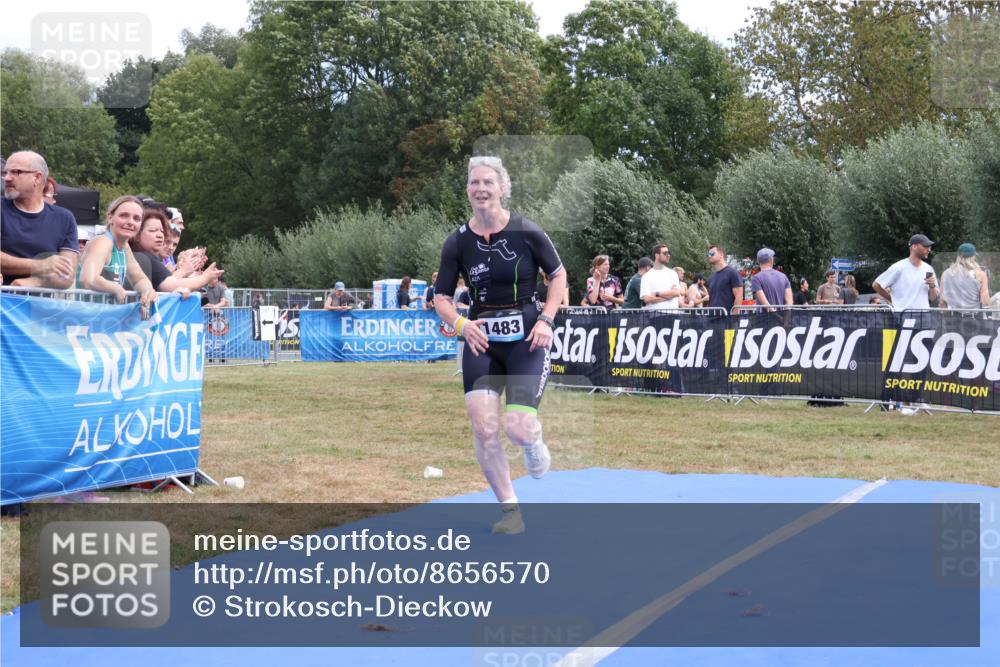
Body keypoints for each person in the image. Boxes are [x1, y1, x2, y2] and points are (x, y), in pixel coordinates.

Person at [433, 156, 566, 535]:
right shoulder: (457, 241)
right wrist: (462, 325)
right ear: (468, 191)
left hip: (527, 337)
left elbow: (558, 276)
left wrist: (547, 319)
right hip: (482, 342)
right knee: (484, 426)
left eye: (488, 182)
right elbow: (441, 297)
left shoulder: (527, 231)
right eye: (474, 182)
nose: (481, 189)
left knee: (518, 427)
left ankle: (533, 442)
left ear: (503, 188)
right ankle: (511, 512)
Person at [1, 151, 78, 288]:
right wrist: (40, 265)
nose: (7, 178)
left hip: (41, 306)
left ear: (37, 177)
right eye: (5, 173)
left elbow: (67, 275)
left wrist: (34, 282)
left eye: (16, 172)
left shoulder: (64, 218)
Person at [77, 196, 158, 312]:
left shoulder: (124, 246)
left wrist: (147, 292)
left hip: (105, 318)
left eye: (136, 218)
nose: (130, 222)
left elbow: (138, 279)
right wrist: (116, 288)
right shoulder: (103, 242)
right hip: (85, 318)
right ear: (110, 218)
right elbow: (88, 279)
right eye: (124, 215)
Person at [129, 208, 222, 294]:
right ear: (137, 234)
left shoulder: (146, 257)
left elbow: (170, 283)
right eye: (153, 230)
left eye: (162, 231)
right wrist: (205, 277)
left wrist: (190, 273)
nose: (160, 235)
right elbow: (170, 284)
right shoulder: (142, 256)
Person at [873, 234, 939, 311]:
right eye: (925, 246)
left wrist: (932, 286)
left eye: (929, 247)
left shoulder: (928, 269)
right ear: (914, 247)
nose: (929, 250)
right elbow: (876, 285)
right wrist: (892, 300)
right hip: (904, 315)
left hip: (924, 315)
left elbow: (932, 298)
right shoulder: (898, 267)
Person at [940, 243, 990, 309]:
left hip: (952, 315)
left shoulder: (946, 274)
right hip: (973, 316)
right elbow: (985, 301)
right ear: (973, 257)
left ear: (958, 256)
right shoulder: (980, 274)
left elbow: (942, 301)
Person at [640, 244, 683, 310]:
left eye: (669, 253)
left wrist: (657, 293)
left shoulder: (672, 273)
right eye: (665, 253)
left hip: (672, 314)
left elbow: (677, 293)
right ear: (657, 255)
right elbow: (647, 299)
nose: (668, 255)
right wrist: (669, 297)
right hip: (654, 315)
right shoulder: (646, 276)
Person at [707, 244, 742, 313]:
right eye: (708, 254)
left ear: (721, 254)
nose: (709, 256)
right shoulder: (712, 277)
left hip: (727, 319)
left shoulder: (732, 272)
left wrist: (734, 318)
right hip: (712, 319)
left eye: (711, 254)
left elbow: (739, 297)